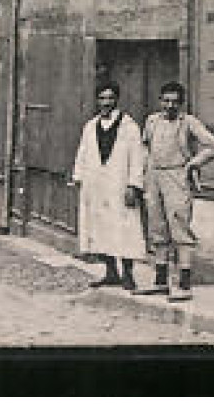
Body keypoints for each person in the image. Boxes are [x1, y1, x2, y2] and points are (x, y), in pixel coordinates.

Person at [138, 81, 214, 301]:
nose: (169, 106)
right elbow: (145, 147)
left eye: (174, 102)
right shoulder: (152, 121)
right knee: (157, 228)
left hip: (176, 177)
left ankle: (185, 284)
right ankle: (160, 282)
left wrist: (193, 164)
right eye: (166, 101)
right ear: (160, 101)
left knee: (179, 228)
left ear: (181, 104)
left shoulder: (188, 123)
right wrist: (143, 175)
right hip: (153, 176)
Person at [69, 82, 147, 289]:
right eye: (102, 98)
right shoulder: (90, 126)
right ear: (97, 100)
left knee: (125, 228)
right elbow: (83, 152)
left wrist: (133, 185)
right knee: (100, 227)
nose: (106, 103)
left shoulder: (129, 126)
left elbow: (137, 157)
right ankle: (110, 271)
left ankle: (128, 274)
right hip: (95, 185)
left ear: (117, 100)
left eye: (110, 98)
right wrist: (78, 177)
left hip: (119, 185)